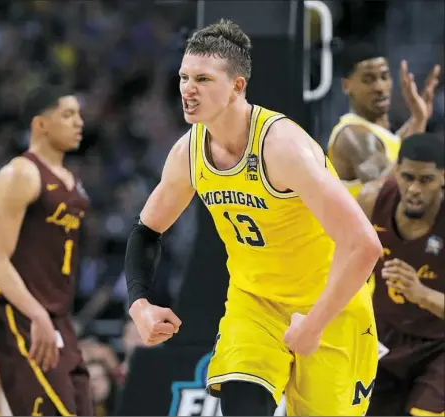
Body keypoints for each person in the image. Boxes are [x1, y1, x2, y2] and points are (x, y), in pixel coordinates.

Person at [124, 19, 382, 416]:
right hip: (255, 303)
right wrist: (139, 304)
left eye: (203, 79)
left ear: (237, 87)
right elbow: (146, 232)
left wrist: (313, 323)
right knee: (243, 406)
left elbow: (364, 245)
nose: (188, 89)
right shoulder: (187, 154)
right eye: (184, 77)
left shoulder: (283, 148)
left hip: (330, 306)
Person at [0, 85, 92, 416]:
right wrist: (36, 314)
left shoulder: (73, 181)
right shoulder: (20, 173)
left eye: (80, 115)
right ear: (40, 124)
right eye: (67, 114)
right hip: (23, 316)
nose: (79, 123)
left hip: (58, 317)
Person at [356, 133, 444, 416]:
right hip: (383, 336)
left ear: (443, 177)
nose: (415, 188)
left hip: (437, 345)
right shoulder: (371, 200)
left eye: (426, 180)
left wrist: (422, 294)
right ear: (396, 171)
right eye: (407, 177)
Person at [327, 43, 441, 199]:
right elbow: (384, 189)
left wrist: (419, 117)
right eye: (368, 80)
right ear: (347, 86)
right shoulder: (354, 135)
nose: (379, 87)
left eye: (384, 77)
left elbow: (399, 150)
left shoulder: (380, 134)